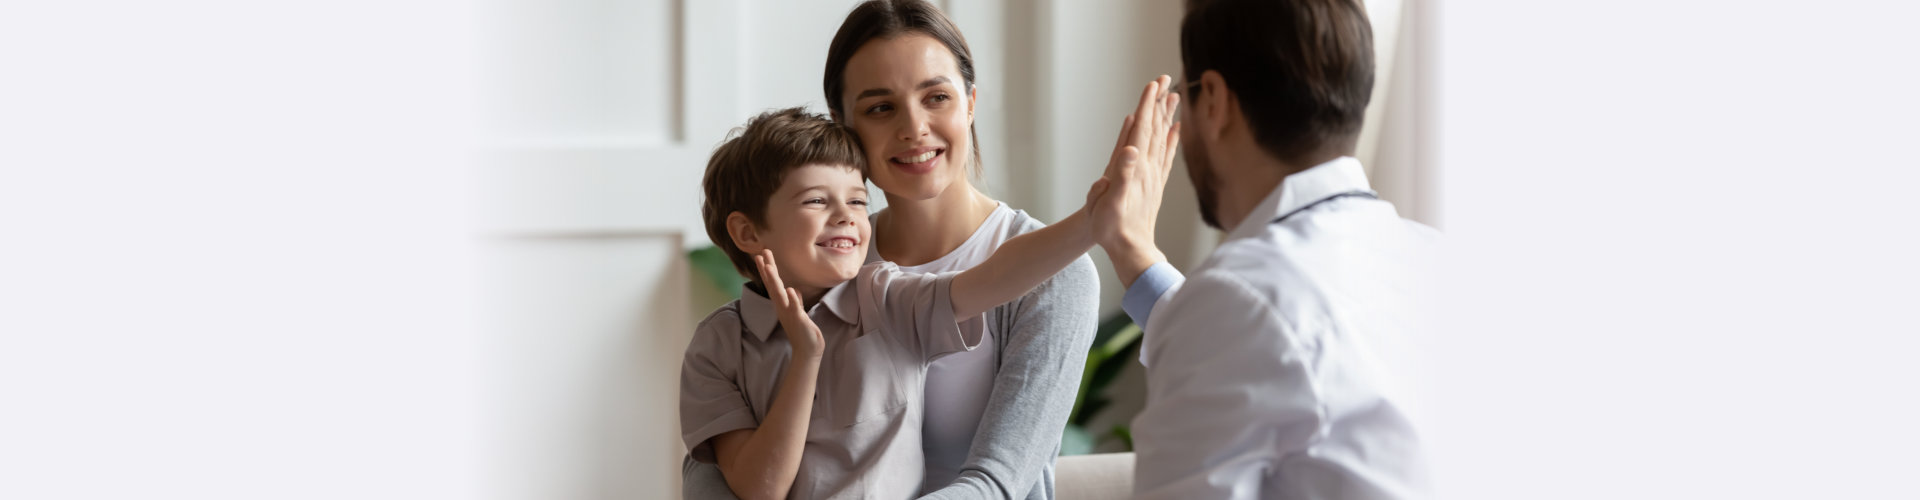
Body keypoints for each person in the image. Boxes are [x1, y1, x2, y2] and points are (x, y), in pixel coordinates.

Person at [685, 1, 1110, 498]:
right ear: (842, 125)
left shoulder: (1053, 273)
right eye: (880, 107)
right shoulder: (824, 258)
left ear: (970, 102)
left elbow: (996, 483)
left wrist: (1095, 222)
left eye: (936, 97)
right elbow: (716, 473)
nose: (914, 127)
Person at [1090, 0, 1439, 499]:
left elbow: (1255, 327)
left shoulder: (1240, 298)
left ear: (1213, 100)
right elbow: (1278, 348)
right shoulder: (1435, 257)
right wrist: (1131, 248)